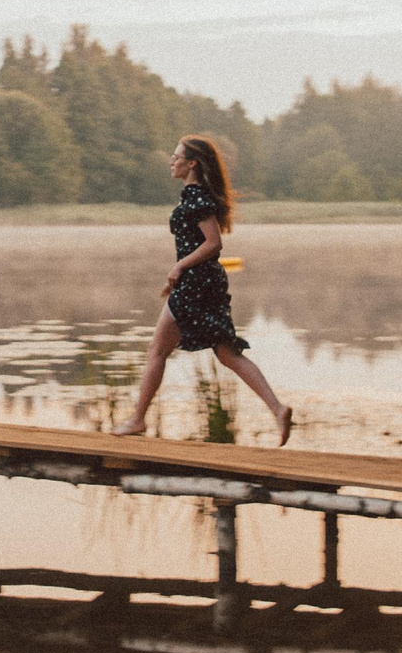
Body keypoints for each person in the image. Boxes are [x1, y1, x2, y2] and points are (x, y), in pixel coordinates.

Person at [111, 134, 294, 442]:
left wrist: (180, 267)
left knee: (157, 350)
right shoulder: (197, 196)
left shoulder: (196, 197)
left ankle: (138, 420)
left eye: (176, 157)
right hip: (201, 282)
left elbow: (213, 243)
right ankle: (277, 409)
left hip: (195, 282)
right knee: (226, 353)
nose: (171, 161)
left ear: (191, 163)